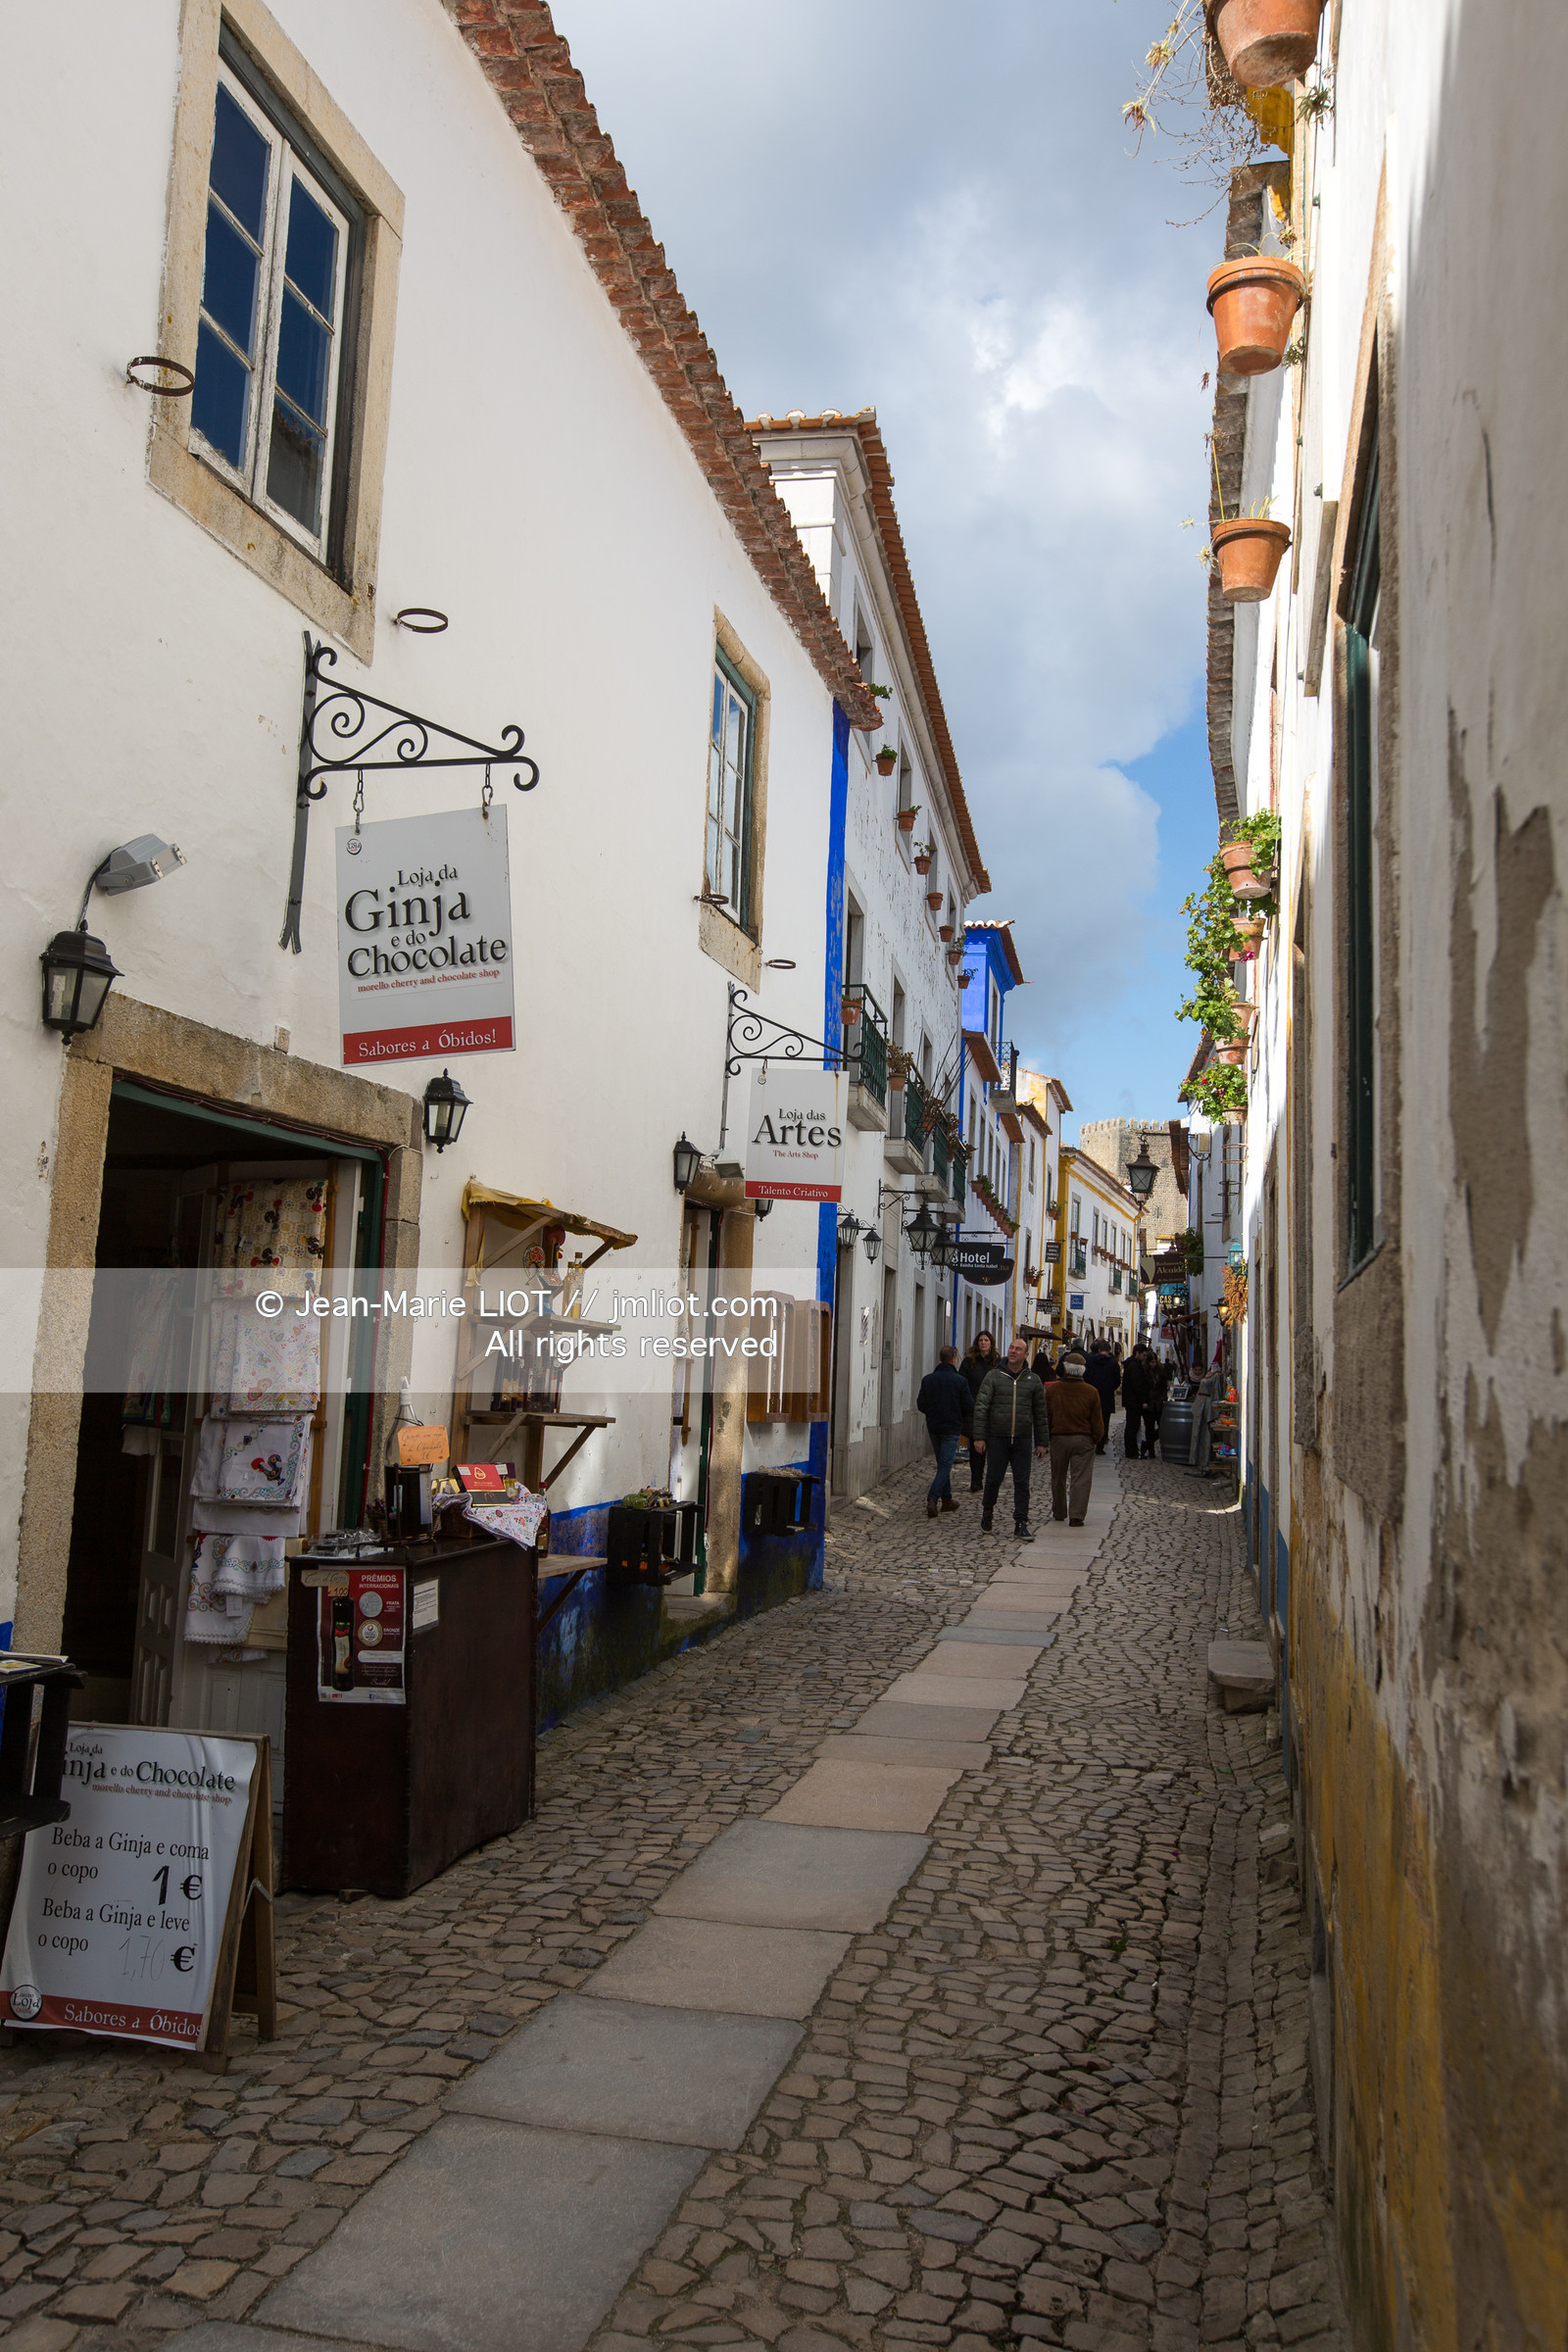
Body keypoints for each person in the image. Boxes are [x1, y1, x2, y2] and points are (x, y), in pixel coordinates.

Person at [970, 1337, 1050, 1538]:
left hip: (1022, 1438)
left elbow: (1040, 1413)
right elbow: (981, 1407)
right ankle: (988, 1512)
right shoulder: (994, 1376)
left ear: (1025, 1354)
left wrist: (1042, 1442)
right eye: (1011, 1348)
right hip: (998, 1437)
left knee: (1022, 1482)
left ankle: (1021, 1521)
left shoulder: (1033, 1380)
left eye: (1018, 1349)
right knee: (993, 1480)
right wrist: (979, 1437)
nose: (1013, 1351)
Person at [1046, 1347, 1104, 1523]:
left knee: (1058, 1477)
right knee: (1081, 1478)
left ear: (1065, 1368)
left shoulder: (1053, 1390)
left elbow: (1047, 1415)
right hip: (1083, 1439)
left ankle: (1059, 1511)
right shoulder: (1091, 1391)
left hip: (1059, 1438)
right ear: (1083, 1370)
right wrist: (1096, 1439)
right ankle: (1077, 1515)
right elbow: (1097, 1421)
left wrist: (1049, 1436)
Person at [916, 1344, 973, 1519]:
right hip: (951, 1427)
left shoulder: (928, 1379)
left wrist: (933, 1413)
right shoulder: (960, 1381)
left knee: (943, 1463)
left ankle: (947, 1500)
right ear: (953, 1360)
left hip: (934, 1427)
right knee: (946, 1464)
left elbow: (921, 1404)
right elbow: (969, 1405)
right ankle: (932, 1498)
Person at [957, 1329, 999, 1490]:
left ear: (991, 1343)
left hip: (993, 1409)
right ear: (977, 1343)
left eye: (986, 1340)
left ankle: (991, 1480)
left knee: (993, 1447)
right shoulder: (969, 1362)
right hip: (974, 1408)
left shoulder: (997, 1362)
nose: (983, 1343)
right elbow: (962, 1382)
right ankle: (976, 1480)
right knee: (976, 1447)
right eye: (981, 1340)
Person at [1084, 1341, 1119, 1455]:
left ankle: (1090, 1443)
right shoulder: (1113, 1363)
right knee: (1104, 1421)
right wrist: (1110, 1388)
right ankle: (1100, 1446)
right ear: (1109, 1351)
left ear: (1099, 1350)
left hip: (1091, 1395)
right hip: (1107, 1396)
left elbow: (1086, 1377)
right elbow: (1117, 1381)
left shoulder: (1090, 1362)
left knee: (1090, 1420)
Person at [1119, 1344, 1152, 1460]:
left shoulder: (1132, 1365)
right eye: (1143, 1355)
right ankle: (1131, 1451)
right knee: (1132, 1426)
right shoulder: (1134, 1366)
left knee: (1132, 1426)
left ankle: (1132, 1450)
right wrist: (1143, 1400)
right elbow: (1137, 1385)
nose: (1144, 1357)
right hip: (1134, 1401)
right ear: (1137, 1353)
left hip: (1131, 1400)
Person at [1145, 1351, 1171, 1458]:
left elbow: (1164, 1387)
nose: (1153, 1364)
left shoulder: (1161, 1372)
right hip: (1149, 1403)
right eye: (1152, 1362)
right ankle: (1151, 1451)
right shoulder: (1145, 1372)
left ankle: (1146, 1444)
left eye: (1155, 1362)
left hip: (1159, 1403)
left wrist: (1163, 1398)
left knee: (1162, 1427)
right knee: (1149, 1427)